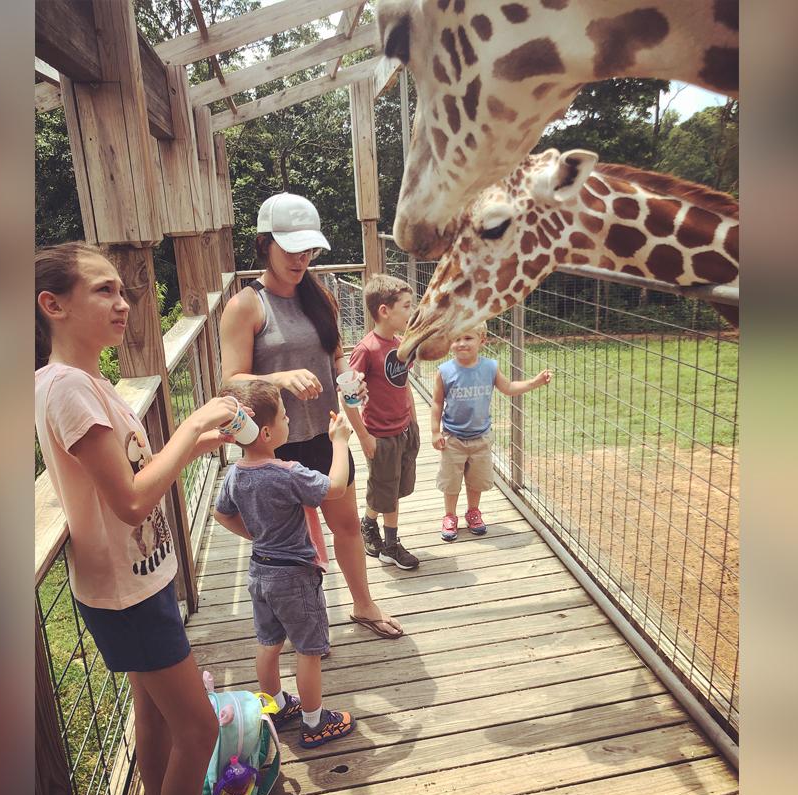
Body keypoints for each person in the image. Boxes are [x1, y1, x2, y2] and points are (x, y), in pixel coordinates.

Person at [34, 242, 251, 795]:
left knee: (156, 724)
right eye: (103, 291)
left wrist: (195, 441)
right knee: (199, 730)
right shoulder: (68, 388)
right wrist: (192, 426)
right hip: (125, 597)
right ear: (53, 305)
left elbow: (133, 472)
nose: (124, 303)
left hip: (141, 580)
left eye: (123, 291)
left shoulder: (87, 380)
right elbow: (129, 501)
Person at [217, 192, 405, 639]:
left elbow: (337, 359)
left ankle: (363, 605)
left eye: (309, 249)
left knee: (346, 528)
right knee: (285, 542)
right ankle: (293, 624)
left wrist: (350, 382)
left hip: (324, 434)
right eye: (291, 247)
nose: (301, 258)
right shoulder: (246, 305)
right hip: (273, 444)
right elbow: (230, 381)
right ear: (265, 244)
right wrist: (280, 380)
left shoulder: (321, 297)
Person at [211, 380, 357, 748]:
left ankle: (275, 704)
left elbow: (221, 514)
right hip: (294, 576)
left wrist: (257, 536)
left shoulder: (236, 474)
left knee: (268, 641)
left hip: (260, 570)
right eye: (284, 415)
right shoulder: (288, 473)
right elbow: (336, 487)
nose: (289, 419)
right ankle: (313, 721)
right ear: (265, 431)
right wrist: (338, 441)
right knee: (308, 650)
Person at [430, 325, 554, 541]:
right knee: (451, 481)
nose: (461, 343)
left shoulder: (489, 368)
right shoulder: (445, 371)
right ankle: (450, 516)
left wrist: (534, 382)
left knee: (475, 480)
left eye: (468, 337)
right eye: (456, 338)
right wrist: (434, 432)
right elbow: (437, 403)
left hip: (481, 438)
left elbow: (508, 388)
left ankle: (473, 511)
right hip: (453, 439)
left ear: (482, 340)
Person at [349, 275, 421, 570]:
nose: (411, 312)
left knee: (391, 489)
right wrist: (365, 437)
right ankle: (390, 545)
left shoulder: (402, 344)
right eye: (406, 307)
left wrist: (413, 422)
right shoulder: (366, 350)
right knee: (387, 491)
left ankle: (368, 524)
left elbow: (403, 385)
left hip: (404, 430)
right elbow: (349, 397)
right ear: (384, 311)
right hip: (380, 435)